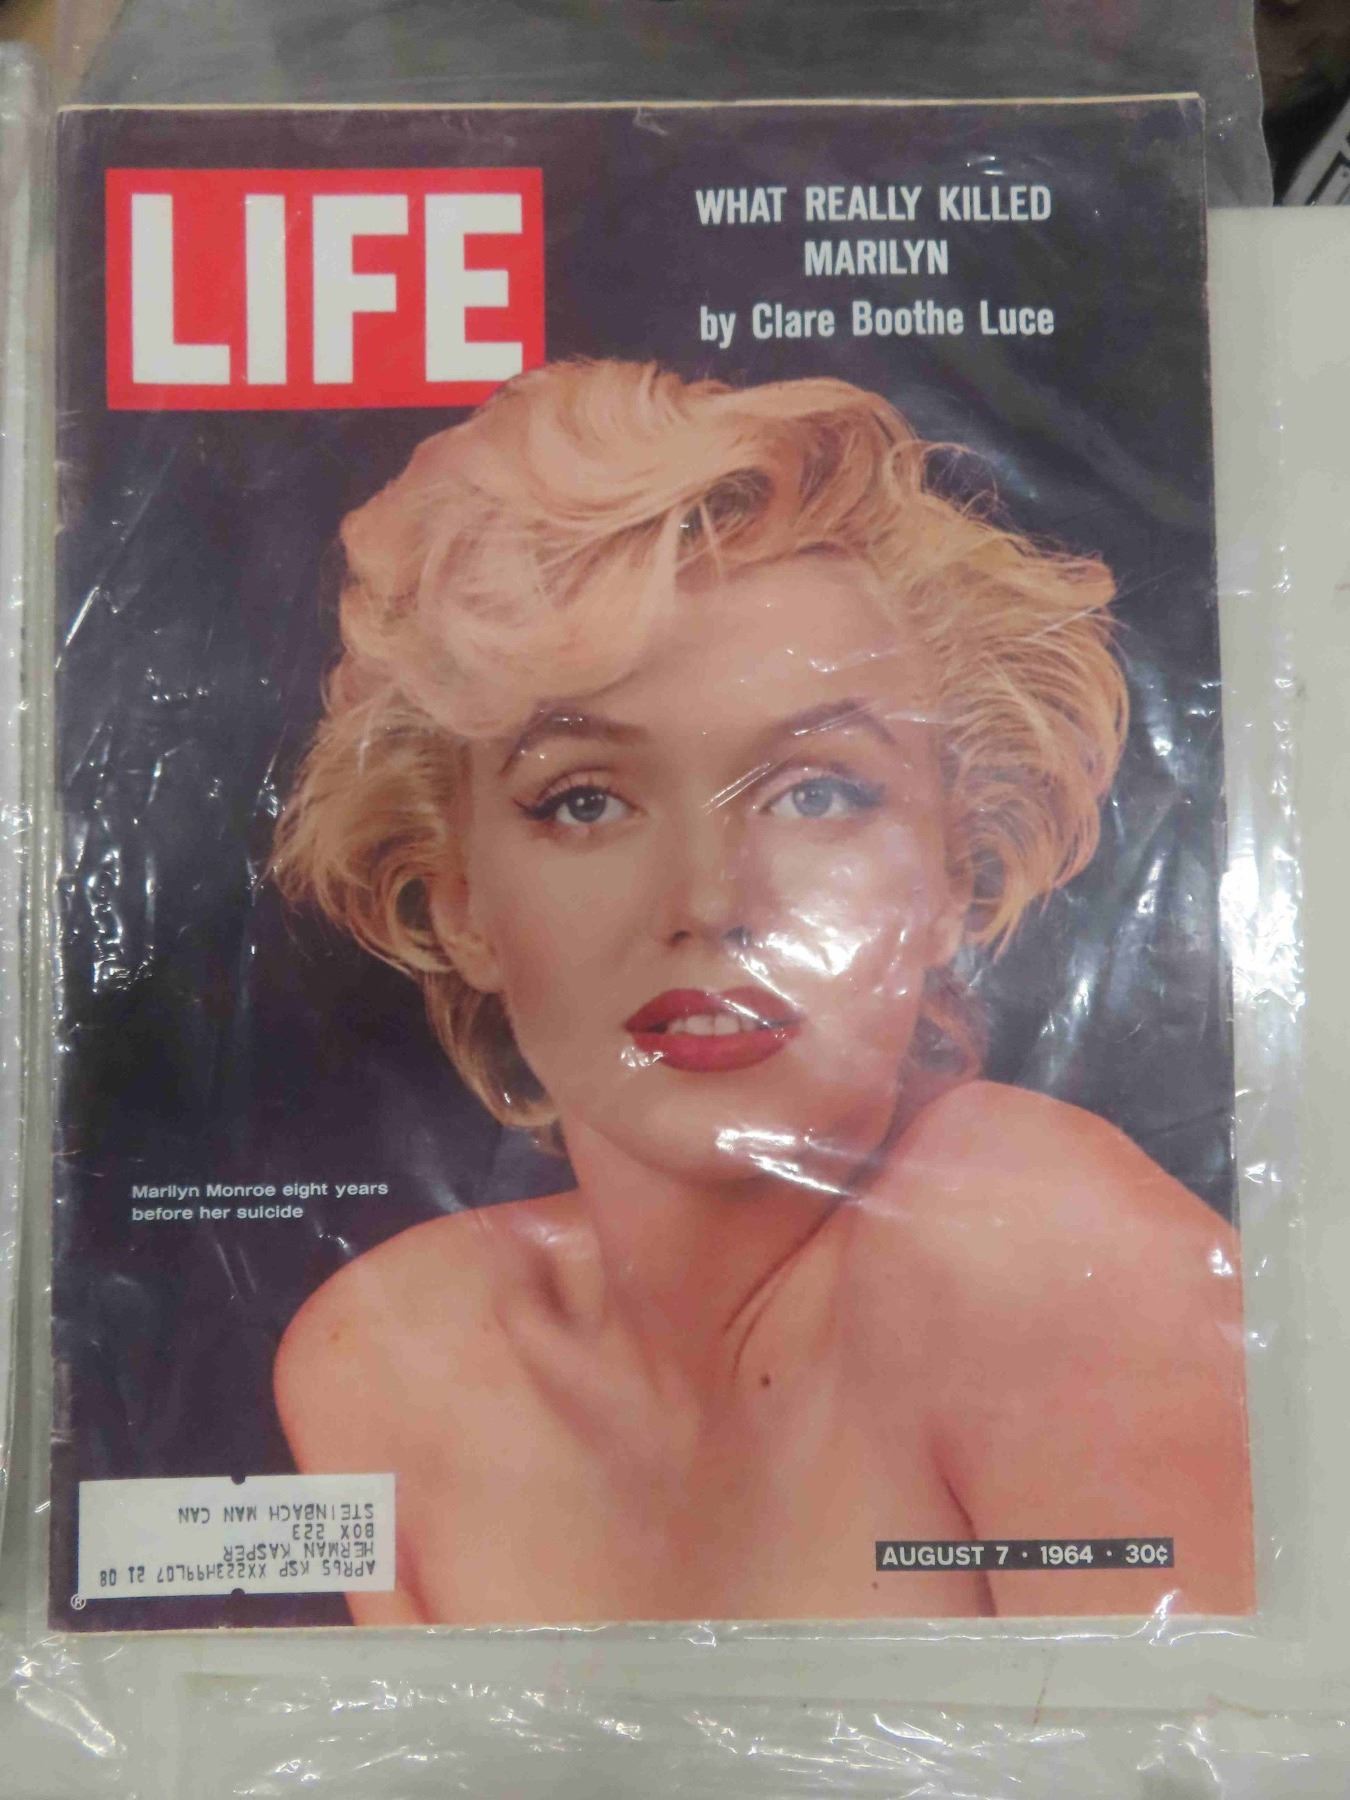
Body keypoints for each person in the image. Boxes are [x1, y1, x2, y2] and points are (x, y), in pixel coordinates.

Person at [271, 359, 1252, 1625]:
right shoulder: (387, 1359)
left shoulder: (1043, 1253)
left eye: (818, 792)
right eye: (586, 801)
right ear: (456, 900)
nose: (710, 898)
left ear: (956, 870)